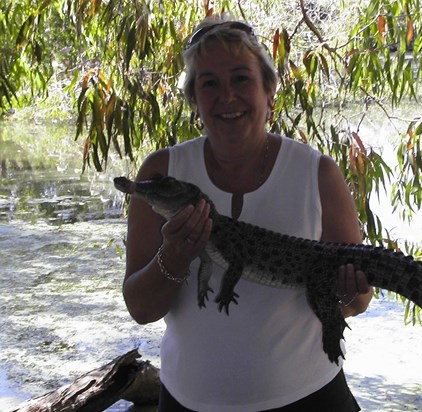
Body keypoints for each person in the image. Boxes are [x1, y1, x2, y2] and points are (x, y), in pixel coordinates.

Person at [122, 14, 373, 412]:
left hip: (310, 398)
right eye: (209, 83)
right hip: (188, 402)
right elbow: (141, 309)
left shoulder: (318, 172)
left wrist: (347, 291)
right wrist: (173, 256)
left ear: (269, 91)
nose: (227, 97)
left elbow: (357, 302)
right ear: (194, 101)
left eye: (241, 78)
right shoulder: (161, 174)